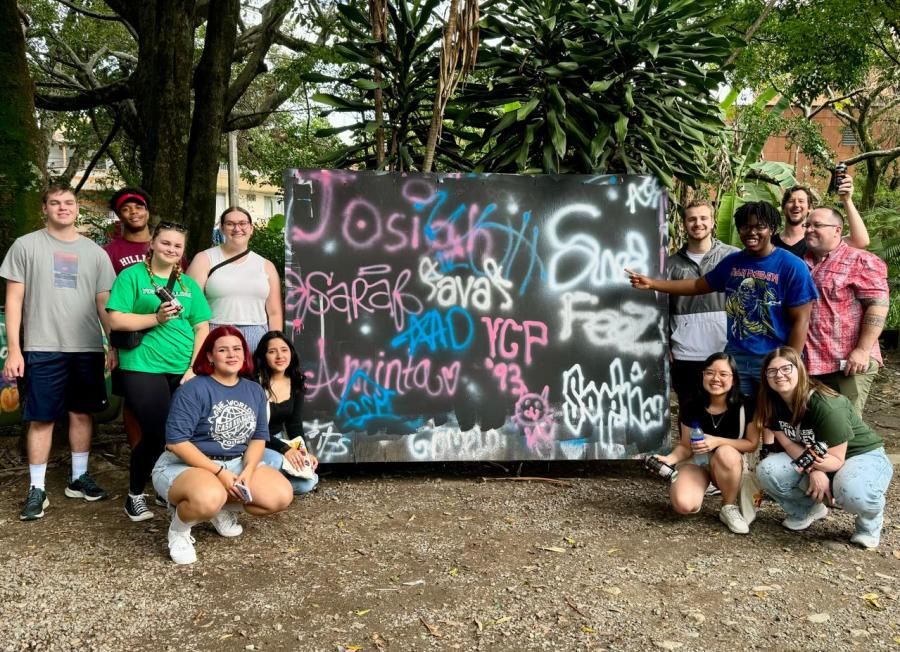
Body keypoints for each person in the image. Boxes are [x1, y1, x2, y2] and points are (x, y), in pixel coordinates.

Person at [1, 185, 116, 521]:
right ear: (45, 208)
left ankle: (78, 478)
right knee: (42, 417)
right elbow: (14, 301)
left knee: (82, 413)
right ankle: (37, 488)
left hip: (87, 347)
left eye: (69, 202)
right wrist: (15, 350)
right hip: (42, 346)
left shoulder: (95, 252)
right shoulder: (26, 246)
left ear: (77, 208)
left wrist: (111, 345)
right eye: (55, 203)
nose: (62, 208)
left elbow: (104, 303)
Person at [627, 201, 819, 399]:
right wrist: (652, 284)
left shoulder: (792, 266)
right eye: (745, 227)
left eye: (759, 226)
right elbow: (697, 286)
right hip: (737, 356)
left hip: (774, 357)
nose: (752, 232)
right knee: (738, 412)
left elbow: (801, 320)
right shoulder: (733, 263)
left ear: (772, 229)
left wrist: (789, 363)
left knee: (774, 412)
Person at [152, 326, 293, 564]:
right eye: (223, 350)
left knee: (279, 496)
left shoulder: (254, 390)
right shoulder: (193, 389)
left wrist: (248, 470)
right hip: (185, 465)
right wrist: (219, 473)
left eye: (237, 349)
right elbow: (177, 443)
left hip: (234, 463)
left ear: (244, 354)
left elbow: (258, 437)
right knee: (208, 496)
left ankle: (218, 509)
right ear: (209, 356)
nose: (231, 354)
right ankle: (179, 530)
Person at [106, 221, 211, 522]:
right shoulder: (132, 276)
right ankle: (135, 495)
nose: (171, 249)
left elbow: (201, 326)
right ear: (152, 243)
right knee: (158, 432)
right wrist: (155, 317)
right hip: (143, 364)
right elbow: (116, 320)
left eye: (177, 246)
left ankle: (167, 487)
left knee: (183, 432)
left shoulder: (187, 284)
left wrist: (193, 367)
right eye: (165, 243)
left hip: (183, 368)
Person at [754, 347, 893, 549]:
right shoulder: (771, 403)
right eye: (772, 371)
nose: (779, 375)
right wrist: (813, 470)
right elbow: (788, 443)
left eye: (786, 368)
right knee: (767, 470)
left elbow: (836, 460)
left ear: (800, 370)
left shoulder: (826, 405)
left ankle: (869, 523)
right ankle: (807, 510)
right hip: (816, 457)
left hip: (858, 455)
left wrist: (817, 470)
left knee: (852, 491)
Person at [652, 353, 759, 534]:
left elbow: (751, 444)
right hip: (697, 462)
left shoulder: (746, 405)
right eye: (710, 373)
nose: (715, 378)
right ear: (702, 375)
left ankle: (728, 506)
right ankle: (700, 487)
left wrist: (717, 441)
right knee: (684, 505)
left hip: (730, 465)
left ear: (733, 379)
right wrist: (668, 459)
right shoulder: (691, 404)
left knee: (725, 452)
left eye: (723, 374)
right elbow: (685, 446)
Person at [803, 207, 889, 414]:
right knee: (815, 424)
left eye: (817, 225)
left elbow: (878, 306)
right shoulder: (802, 262)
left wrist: (862, 350)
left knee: (845, 425)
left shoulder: (861, 260)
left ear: (837, 230)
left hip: (847, 363)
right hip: (810, 363)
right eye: (807, 225)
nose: (809, 229)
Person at [667, 200, 739, 406]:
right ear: (684, 224)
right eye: (692, 219)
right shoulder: (670, 265)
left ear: (713, 221)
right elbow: (661, 308)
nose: (698, 223)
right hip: (685, 352)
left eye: (703, 218)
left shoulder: (733, 257)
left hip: (725, 350)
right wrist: (664, 343)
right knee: (689, 412)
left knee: (727, 412)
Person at [186, 207, 283, 352]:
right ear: (222, 228)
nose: (237, 228)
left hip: (257, 336)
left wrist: (275, 345)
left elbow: (274, 313)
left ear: (251, 228)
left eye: (242, 223)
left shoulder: (266, 265)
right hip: (216, 333)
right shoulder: (204, 259)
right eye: (230, 224)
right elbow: (189, 304)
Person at [254, 331, 319, 494]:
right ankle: (260, 487)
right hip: (255, 442)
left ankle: (268, 488)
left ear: (291, 353)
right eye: (272, 351)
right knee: (277, 461)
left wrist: (304, 453)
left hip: (278, 441)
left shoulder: (296, 382)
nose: (279, 356)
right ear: (263, 356)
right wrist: (285, 449)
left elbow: (294, 425)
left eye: (284, 350)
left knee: (306, 484)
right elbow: (253, 429)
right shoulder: (254, 383)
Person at [772, 177, 869, 258]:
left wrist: (847, 200)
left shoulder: (819, 239)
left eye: (801, 201)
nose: (796, 205)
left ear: (809, 208)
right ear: (783, 207)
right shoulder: (770, 243)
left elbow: (860, 242)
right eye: (791, 201)